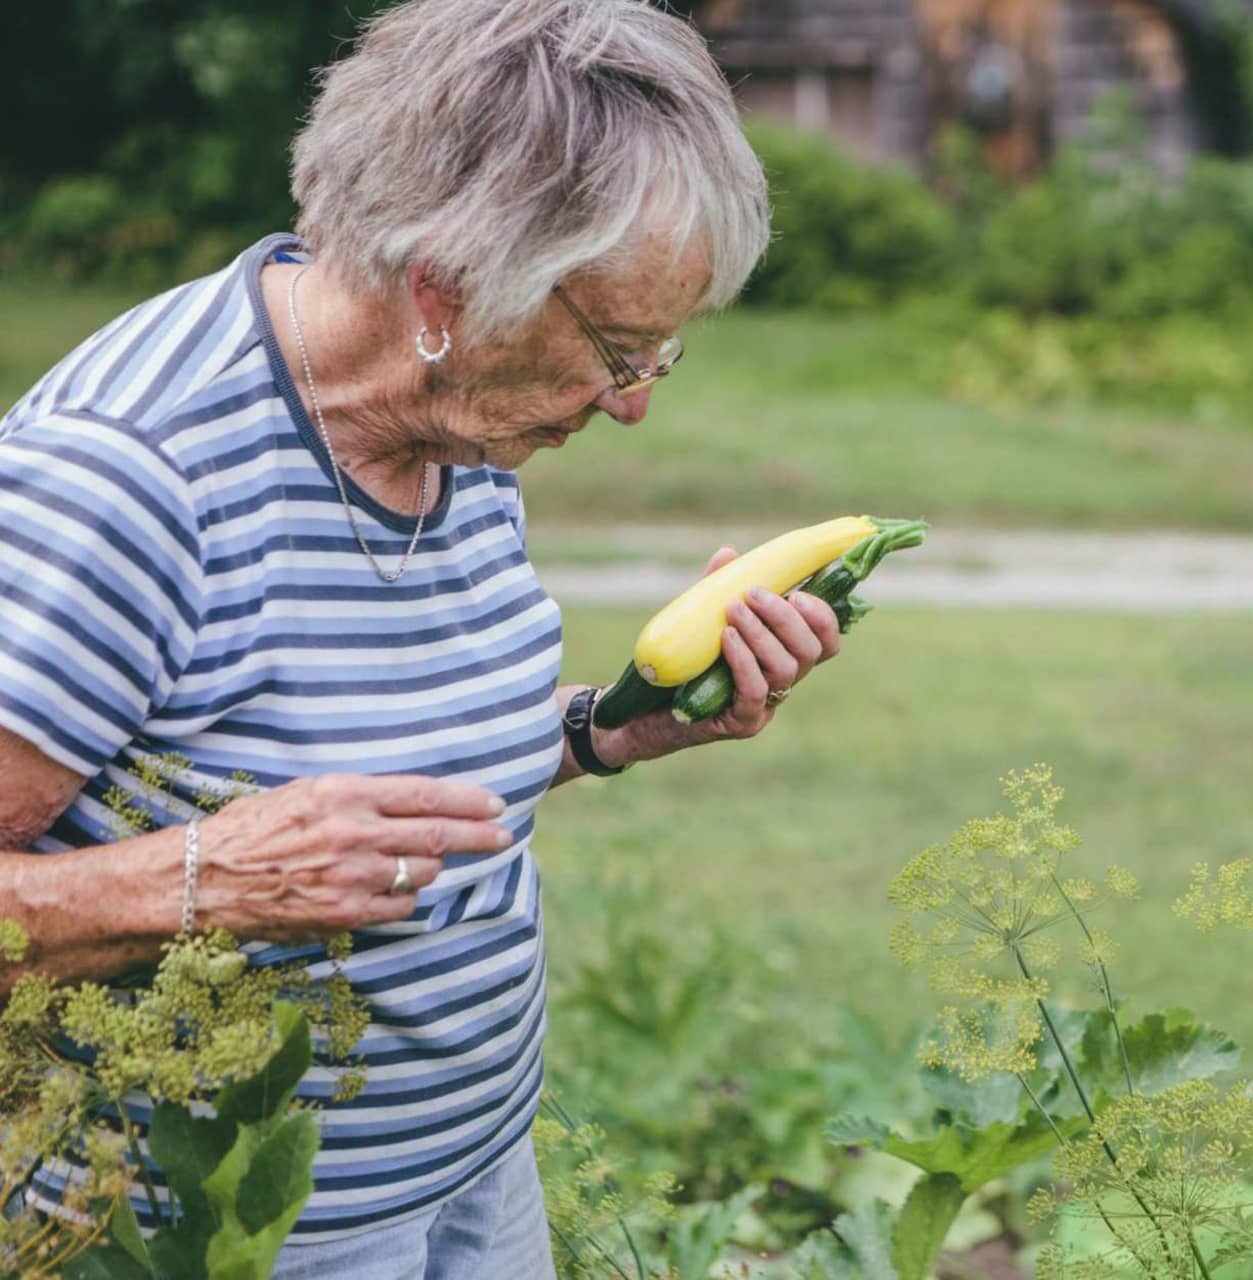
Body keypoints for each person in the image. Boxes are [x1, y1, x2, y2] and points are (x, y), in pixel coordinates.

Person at [0, 1, 820, 1274]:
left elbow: (370, 756)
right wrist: (202, 880)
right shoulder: (126, 480)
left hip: (470, 1184)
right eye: (615, 349)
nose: (634, 405)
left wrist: (604, 731)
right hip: (215, 1233)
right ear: (443, 287)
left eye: (665, 351)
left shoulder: (454, 426)